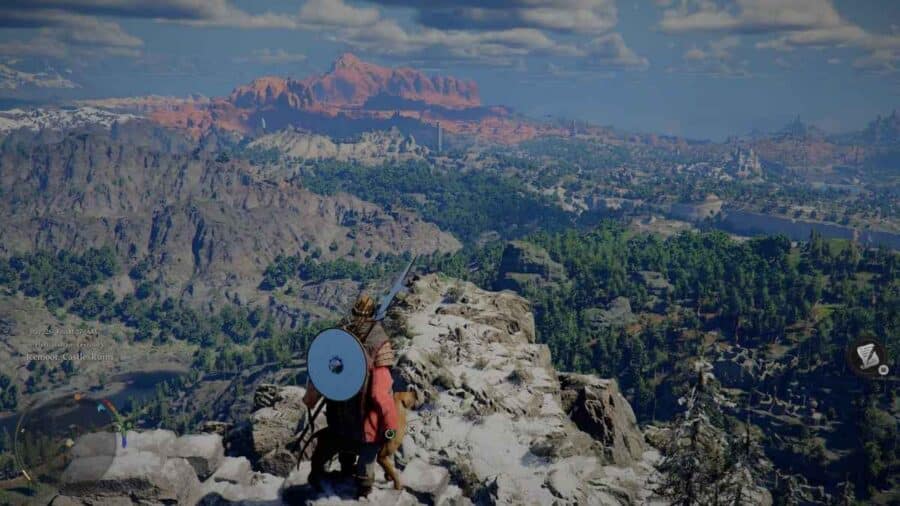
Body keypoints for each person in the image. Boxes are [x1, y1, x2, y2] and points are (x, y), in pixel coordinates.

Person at [303, 294, 399, 498]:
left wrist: (310, 400)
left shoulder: (340, 336)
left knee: (334, 443)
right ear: (373, 314)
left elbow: (323, 375)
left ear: (353, 312)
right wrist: (391, 430)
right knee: (369, 453)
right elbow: (380, 394)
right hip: (366, 431)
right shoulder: (379, 342)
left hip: (338, 423)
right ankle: (363, 489)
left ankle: (342, 470)